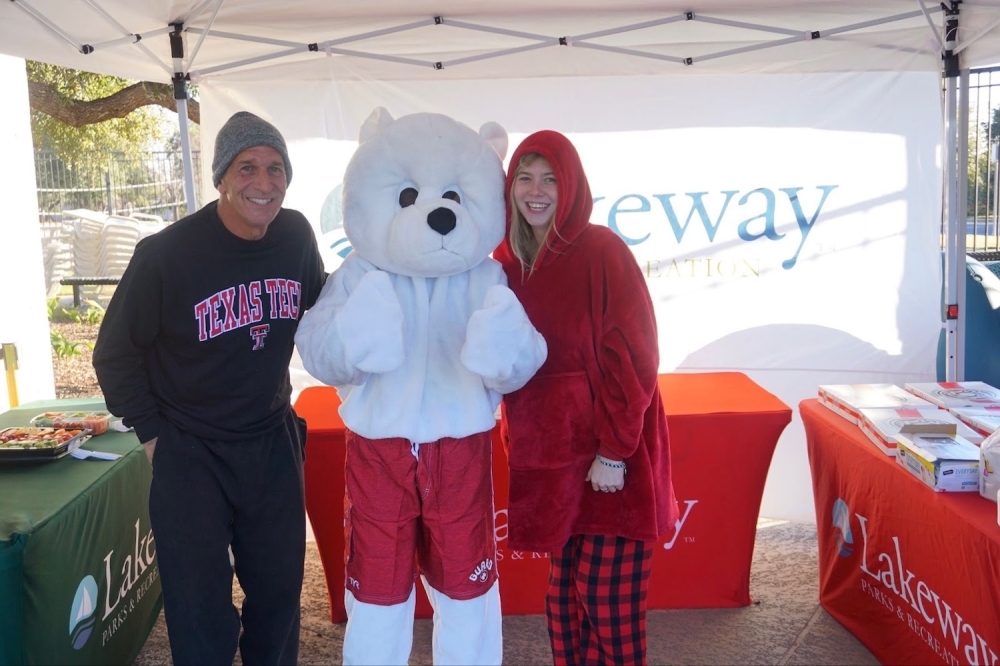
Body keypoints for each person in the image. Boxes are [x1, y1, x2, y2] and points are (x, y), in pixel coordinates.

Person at [93, 111, 326, 665]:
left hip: (270, 442)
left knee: (278, 599)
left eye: (275, 168)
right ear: (221, 177)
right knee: (200, 613)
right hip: (189, 450)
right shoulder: (166, 254)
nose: (264, 183)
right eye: (247, 168)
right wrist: (153, 438)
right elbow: (114, 353)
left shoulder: (294, 236)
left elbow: (323, 310)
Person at [493, 130, 680, 666]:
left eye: (550, 178)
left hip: (609, 461)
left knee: (608, 607)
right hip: (551, 464)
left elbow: (637, 359)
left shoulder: (601, 250)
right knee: (564, 605)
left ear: (570, 185)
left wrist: (615, 452)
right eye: (525, 177)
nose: (537, 190)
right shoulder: (503, 264)